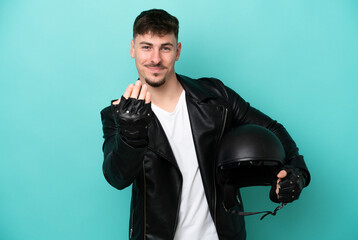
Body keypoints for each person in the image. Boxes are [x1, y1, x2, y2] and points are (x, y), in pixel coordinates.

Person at [100, 9, 310, 240]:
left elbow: (272, 130)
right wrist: (131, 137)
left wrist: (297, 173)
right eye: (146, 47)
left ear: (177, 51)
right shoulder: (116, 115)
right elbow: (117, 177)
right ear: (133, 49)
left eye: (165, 48)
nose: (155, 59)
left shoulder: (215, 96)